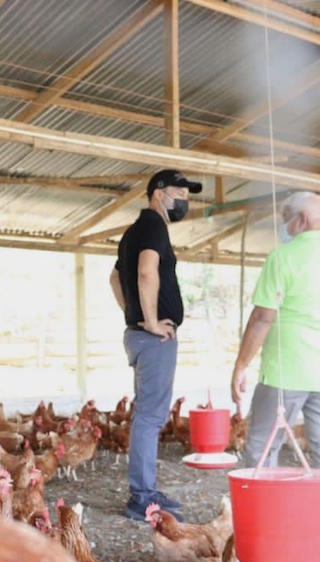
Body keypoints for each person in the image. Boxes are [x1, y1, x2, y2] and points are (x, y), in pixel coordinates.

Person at [230, 191, 320, 496]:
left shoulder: (282, 257)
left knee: (263, 446)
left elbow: (263, 317)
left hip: (284, 371)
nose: (283, 225)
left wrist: (240, 366)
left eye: (285, 218)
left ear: (301, 220)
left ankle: (265, 515)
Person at [110, 169, 202, 521]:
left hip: (140, 335)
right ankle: (141, 496)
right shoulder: (153, 225)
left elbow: (115, 277)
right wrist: (148, 320)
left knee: (148, 414)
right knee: (150, 417)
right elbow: (147, 271)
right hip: (152, 337)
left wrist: (132, 312)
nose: (185, 201)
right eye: (181, 193)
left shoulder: (134, 231)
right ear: (159, 193)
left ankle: (145, 489)